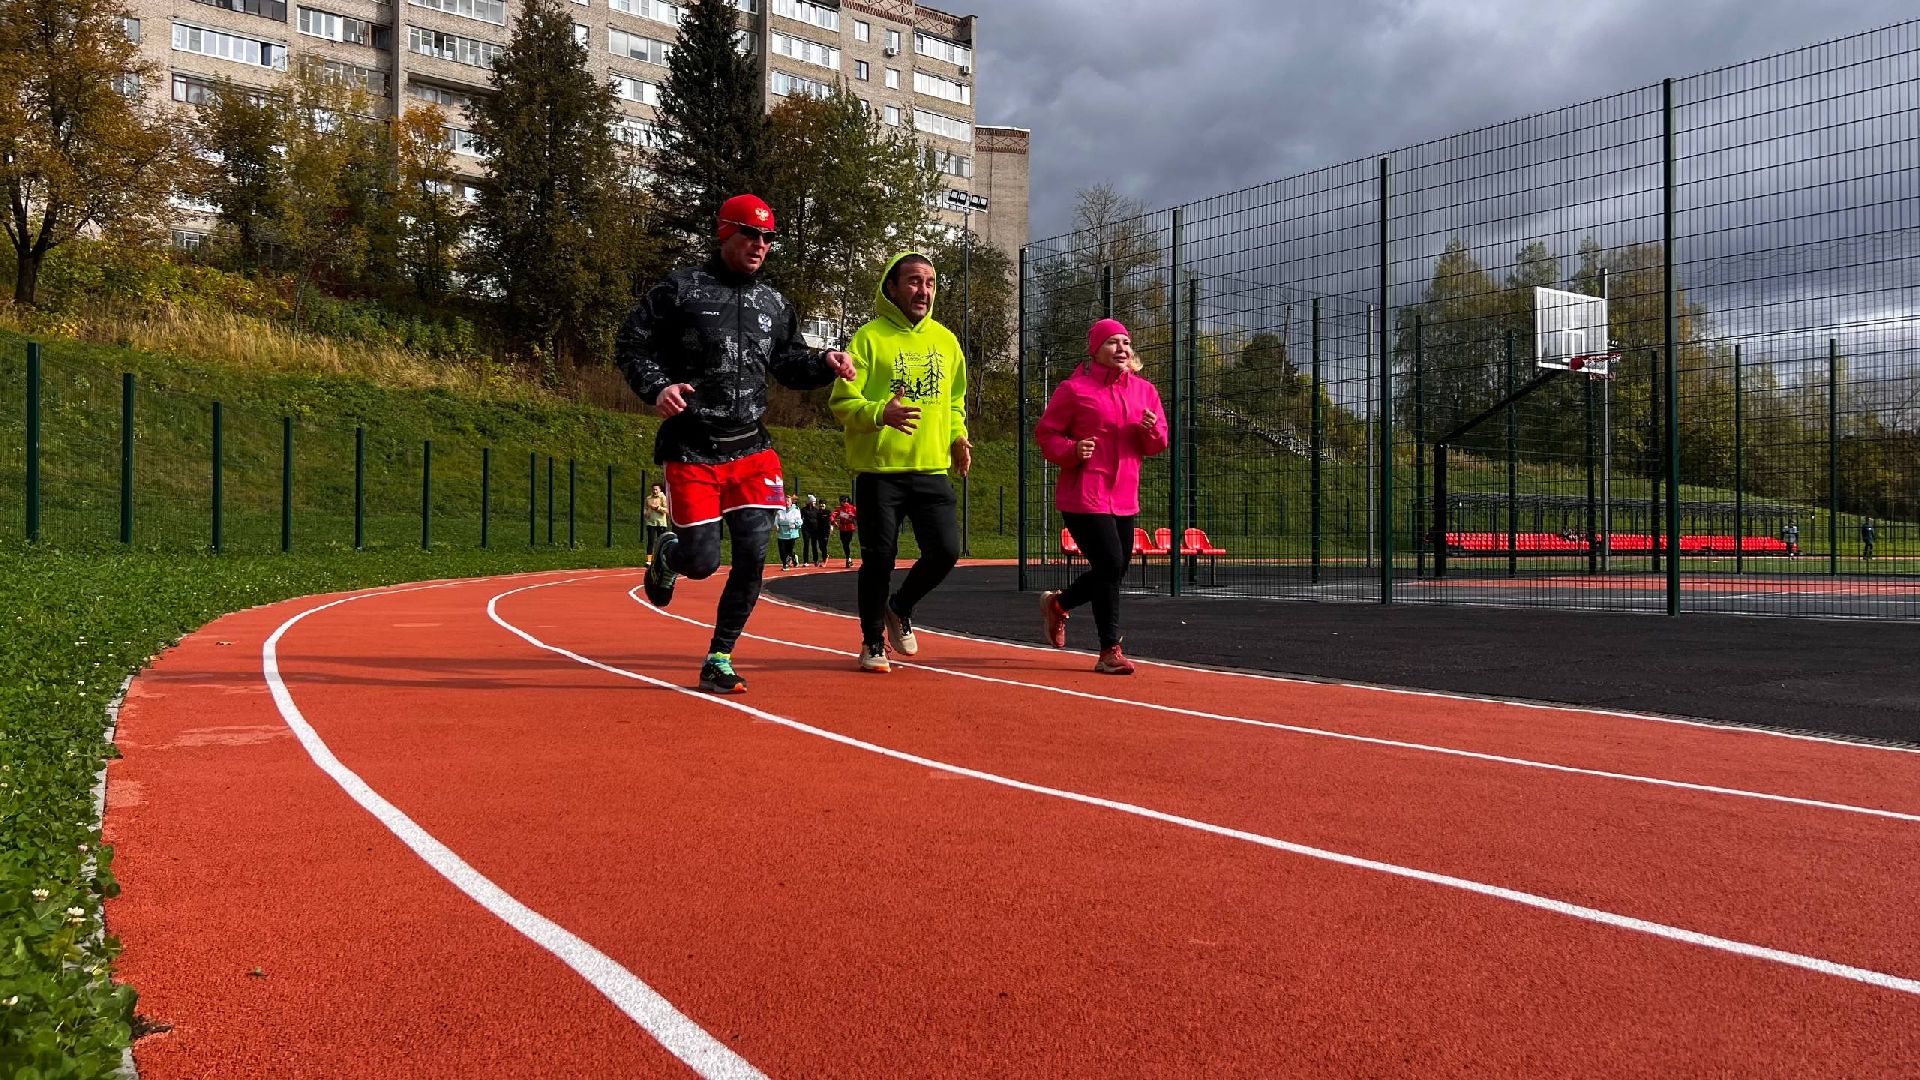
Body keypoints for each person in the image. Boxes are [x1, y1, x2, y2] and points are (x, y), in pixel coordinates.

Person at [617, 193, 856, 694]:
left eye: (769, 238)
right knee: (702, 562)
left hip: (752, 449)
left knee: (752, 552)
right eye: (751, 234)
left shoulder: (774, 303)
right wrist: (657, 386)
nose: (761, 245)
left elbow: (789, 362)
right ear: (725, 233)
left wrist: (824, 362)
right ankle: (668, 553)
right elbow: (631, 343)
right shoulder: (680, 289)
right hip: (692, 448)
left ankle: (719, 656)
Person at [829, 251, 970, 673]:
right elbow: (843, 400)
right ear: (891, 288)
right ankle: (873, 641)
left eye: (929, 282)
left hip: (931, 469)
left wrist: (958, 437)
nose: (923, 290)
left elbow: (956, 402)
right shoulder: (868, 339)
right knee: (880, 557)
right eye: (912, 281)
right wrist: (879, 414)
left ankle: (900, 606)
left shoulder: (946, 342)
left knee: (946, 551)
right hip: (880, 471)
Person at [1034, 318, 1168, 675]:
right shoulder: (1074, 390)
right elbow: (1047, 434)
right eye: (1112, 343)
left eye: (1126, 342)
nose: (1122, 348)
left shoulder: (1145, 391)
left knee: (1115, 568)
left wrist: (1152, 431)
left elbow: (1159, 443)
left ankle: (1060, 604)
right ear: (1096, 350)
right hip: (1083, 495)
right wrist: (1072, 450)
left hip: (1124, 496)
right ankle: (1110, 650)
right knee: (1110, 565)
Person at [775, 496, 803, 570]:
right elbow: (776, 521)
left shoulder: (795, 510)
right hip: (781, 534)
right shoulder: (780, 511)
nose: (786, 503)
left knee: (789, 550)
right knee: (782, 550)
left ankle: (793, 557)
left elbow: (800, 521)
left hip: (791, 534)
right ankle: (785, 564)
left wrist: (795, 525)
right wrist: (776, 526)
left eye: (788, 501)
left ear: (791, 502)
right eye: (785, 501)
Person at [642, 484, 670, 558]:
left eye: (656, 489)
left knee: (661, 542)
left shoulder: (663, 498)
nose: (654, 491)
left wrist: (658, 508)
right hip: (651, 522)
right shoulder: (648, 498)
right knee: (650, 542)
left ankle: (660, 559)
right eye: (653, 489)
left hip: (661, 523)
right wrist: (646, 513)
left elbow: (667, 511)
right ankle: (649, 560)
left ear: (660, 490)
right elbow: (645, 508)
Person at [832, 496, 858, 567]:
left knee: (847, 543)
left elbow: (856, 516)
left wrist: (851, 516)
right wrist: (833, 522)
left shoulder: (852, 508)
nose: (843, 503)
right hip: (842, 528)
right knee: (844, 544)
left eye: (844, 501)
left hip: (850, 528)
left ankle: (848, 558)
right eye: (841, 501)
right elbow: (833, 515)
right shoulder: (839, 509)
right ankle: (848, 558)